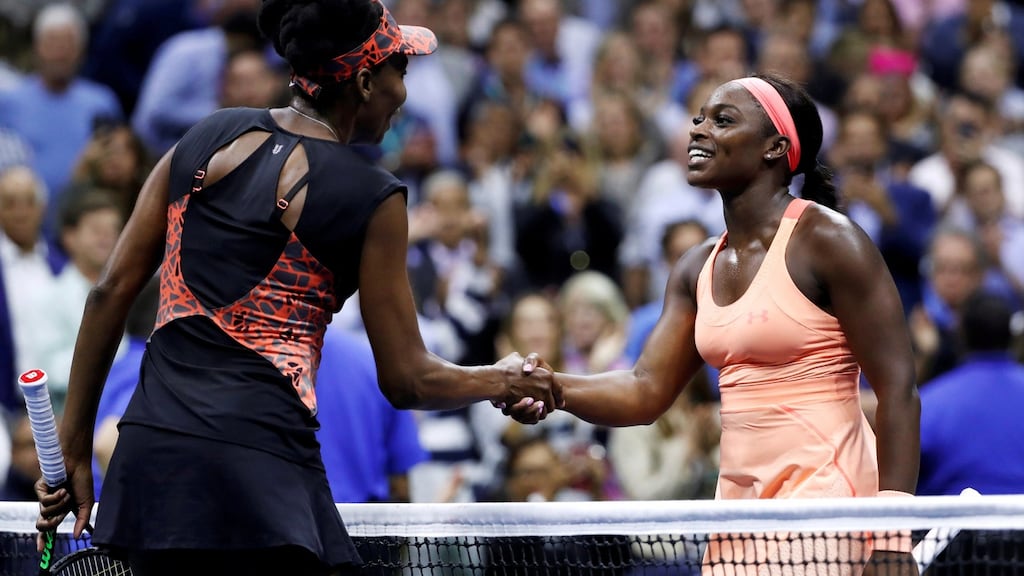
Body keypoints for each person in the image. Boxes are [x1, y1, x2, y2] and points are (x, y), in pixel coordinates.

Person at [35, 2, 558, 575]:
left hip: (153, 460)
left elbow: (109, 292)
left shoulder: (207, 135)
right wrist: (500, 378)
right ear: (364, 81)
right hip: (262, 472)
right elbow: (409, 379)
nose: (403, 92)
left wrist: (71, 448)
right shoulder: (375, 198)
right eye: (398, 72)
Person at [511, 73, 921, 575]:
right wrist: (553, 388)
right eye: (699, 118)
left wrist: (893, 538)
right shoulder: (694, 267)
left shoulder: (829, 241)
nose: (698, 130)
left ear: (775, 148)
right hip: (737, 512)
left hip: (827, 499)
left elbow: (898, 389)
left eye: (722, 120)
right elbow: (644, 391)